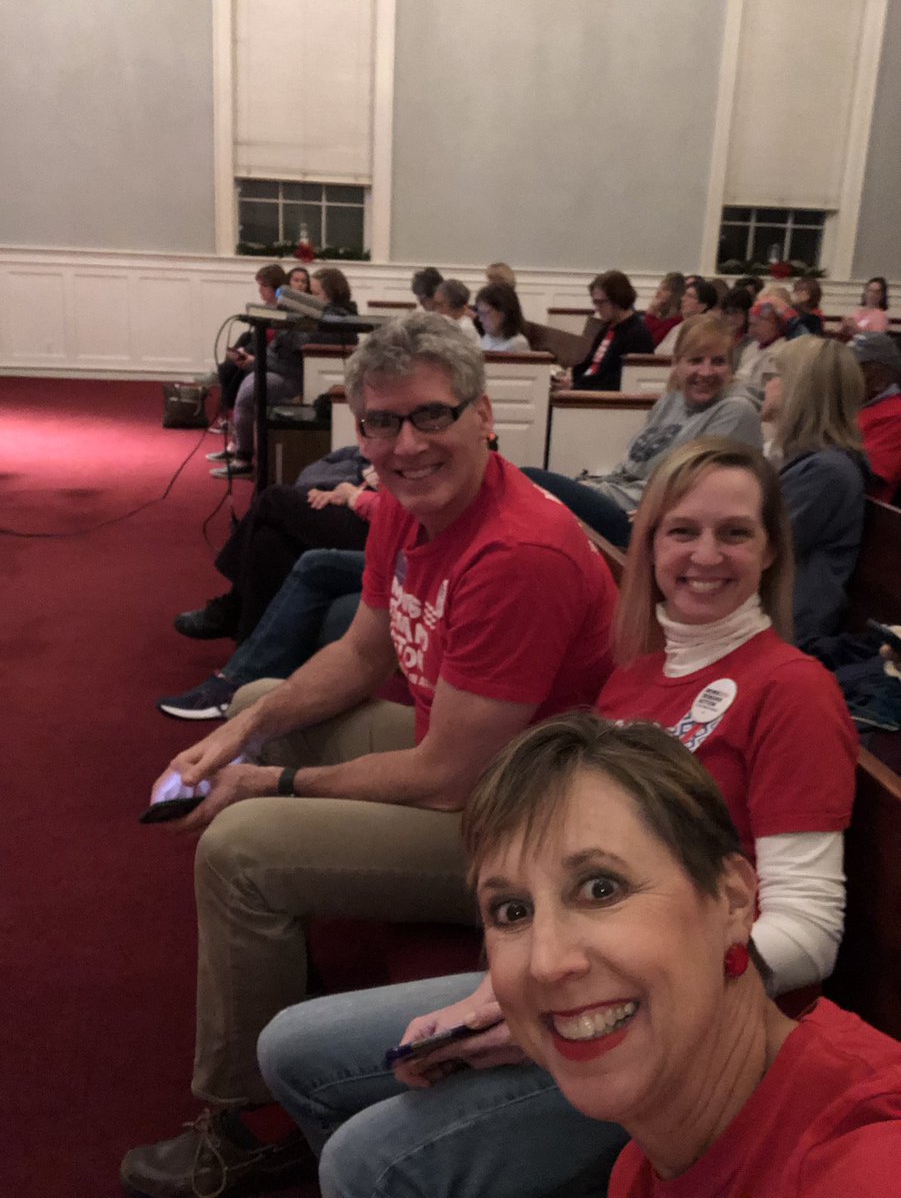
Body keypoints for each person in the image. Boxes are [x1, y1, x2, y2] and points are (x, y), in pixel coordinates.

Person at [257, 438, 856, 1198]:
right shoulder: (633, 681)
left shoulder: (793, 690)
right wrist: (497, 996)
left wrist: (567, 1007)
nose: (706, 555)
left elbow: (810, 930)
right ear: (649, 546)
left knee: (364, 1162)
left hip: (698, 1032)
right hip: (577, 969)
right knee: (291, 1049)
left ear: (769, 551)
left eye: (734, 532)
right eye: (681, 531)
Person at [120, 312, 619, 1198]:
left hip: (526, 825)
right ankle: (274, 960)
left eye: (430, 415)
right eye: (381, 423)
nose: (405, 445)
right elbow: (361, 654)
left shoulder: (518, 553)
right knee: (257, 703)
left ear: (482, 416)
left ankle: (248, 1127)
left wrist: (269, 783)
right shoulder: (405, 507)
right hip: (470, 764)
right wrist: (236, 733)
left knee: (240, 848)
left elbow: (447, 778)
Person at [464, 713, 901, 1198]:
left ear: (733, 901)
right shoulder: (641, 1170)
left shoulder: (866, 1159)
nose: (546, 963)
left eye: (601, 889)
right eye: (512, 911)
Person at [523, 315, 762, 547]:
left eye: (718, 362)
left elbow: (707, 488)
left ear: (731, 367)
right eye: (696, 360)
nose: (706, 371)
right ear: (677, 364)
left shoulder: (736, 411)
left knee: (528, 480)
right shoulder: (671, 400)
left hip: (641, 520)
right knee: (528, 494)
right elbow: (631, 468)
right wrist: (589, 486)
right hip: (619, 495)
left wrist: (659, 512)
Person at [175, 446, 373, 644]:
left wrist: (354, 496)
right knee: (269, 540)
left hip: (377, 525)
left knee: (274, 499)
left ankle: (233, 605)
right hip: (364, 501)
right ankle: (247, 651)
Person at [762, 336, 869, 649]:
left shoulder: (827, 473)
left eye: (776, 376)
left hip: (784, 629)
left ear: (799, 391)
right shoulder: (807, 461)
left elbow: (757, 548)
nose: (767, 386)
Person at [213, 267, 358, 479]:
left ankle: (243, 458)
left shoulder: (334, 320)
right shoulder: (318, 314)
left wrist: (257, 362)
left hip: (298, 376)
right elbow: (282, 348)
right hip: (284, 368)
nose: (309, 296)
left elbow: (296, 349)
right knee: (242, 380)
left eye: (314, 293)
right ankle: (240, 450)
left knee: (248, 391)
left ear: (330, 294)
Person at [209, 264, 287, 434]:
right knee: (228, 367)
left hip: (270, 356)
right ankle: (230, 416)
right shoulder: (265, 309)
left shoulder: (283, 311)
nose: (260, 290)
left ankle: (235, 419)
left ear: (276, 288)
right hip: (259, 351)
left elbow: (275, 342)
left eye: (264, 286)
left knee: (239, 371)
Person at [569, 271, 654, 388]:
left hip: (604, 396)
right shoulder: (606, 328)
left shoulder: (637, 335)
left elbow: (619, 382)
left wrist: (575, 387)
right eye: (594, 302)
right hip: (587, 388)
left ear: (617, 300)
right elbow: (591, 365)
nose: (596, 308)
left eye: (600, 302)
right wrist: (572, 381)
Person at [851, 332, 901, 502]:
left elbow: (861, 477)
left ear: (881, 379)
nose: (844, 375)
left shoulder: (896, 416)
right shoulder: (854, 405)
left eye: (855, 368)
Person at [732, 298, 790, 405]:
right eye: (750, 324)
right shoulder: (751, 347)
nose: (750, 331)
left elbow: (764, 393)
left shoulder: (783, 353)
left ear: (772, 324)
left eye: (755, 325)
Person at [655, 280, 718, 354]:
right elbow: (658, 352)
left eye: (689, 296)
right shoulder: (677, 327)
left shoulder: (705, 331)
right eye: (684, 295)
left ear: (702, 306)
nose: (683, 299)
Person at [475, 282, 530, 351]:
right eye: (480, 313)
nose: (480, 319)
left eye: (485, 313)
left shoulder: (518, 344)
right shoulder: (487, 338)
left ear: (504, 312)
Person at [642, 272, 685, 347]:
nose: (658, 292)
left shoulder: (676, 321)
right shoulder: (660, 315)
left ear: (675, 294)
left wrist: (651, 313)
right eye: (659, 288)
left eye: (664, 289)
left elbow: (648, 341)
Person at [433, 278, 480, 343]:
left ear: (455, 305)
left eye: (440, 305)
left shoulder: (464, 329)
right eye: (435, 304)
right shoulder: (447, 323)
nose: (436, 310)